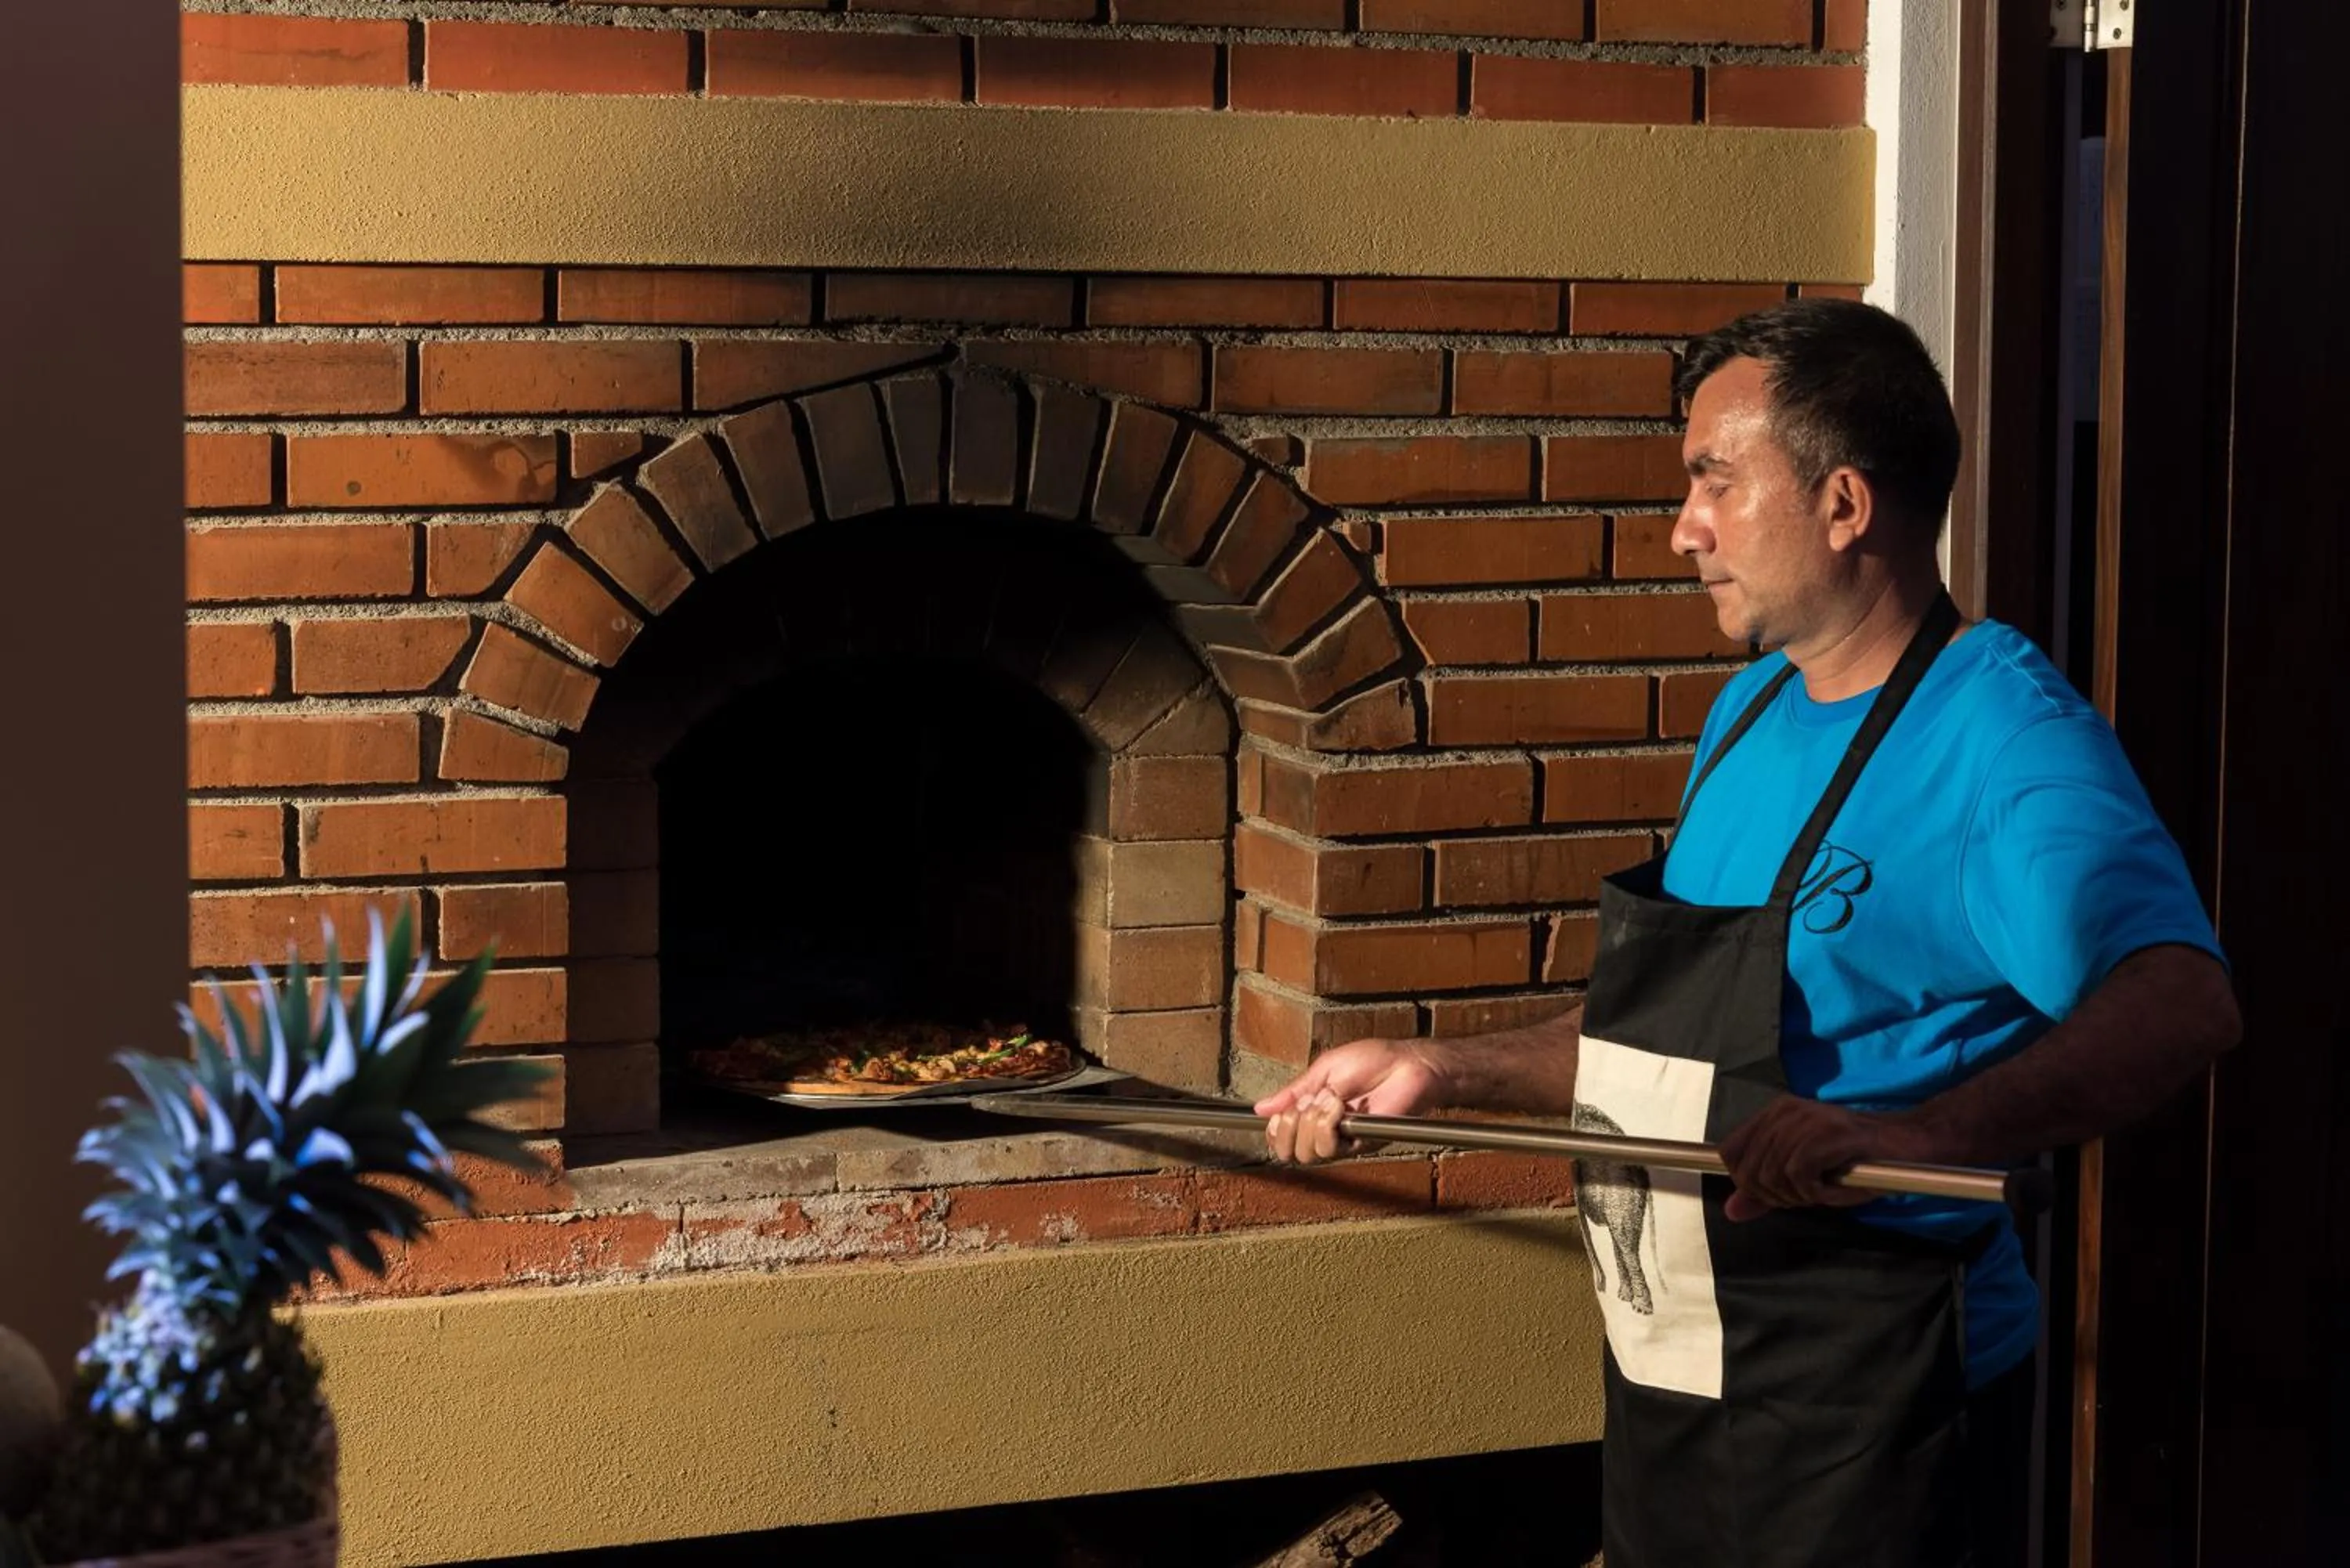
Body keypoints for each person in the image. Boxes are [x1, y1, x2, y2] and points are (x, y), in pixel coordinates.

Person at [1254, 299, 2241, 1568]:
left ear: (1842, 504)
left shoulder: (2007, 744)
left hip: (1870, 1417)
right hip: (1677, 1377)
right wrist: (1450, 1068)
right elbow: (1669, 1032)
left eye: (1714, 481)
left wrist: (1918, 1135)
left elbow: (2183, 998)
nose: (1683, 530)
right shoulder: (1748, 710)